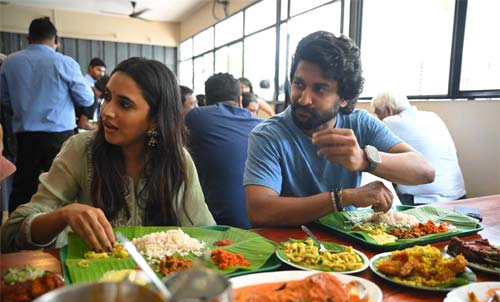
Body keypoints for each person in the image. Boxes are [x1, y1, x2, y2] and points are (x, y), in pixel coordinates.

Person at [1, 57, 216, 253]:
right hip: (93, 286)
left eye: (124, 104)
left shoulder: (177, 160)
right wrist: (63, 215)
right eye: (107, 97)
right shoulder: (80, 150)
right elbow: (12, 232)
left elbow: (206, 235)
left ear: (155, 119)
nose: (106, 111)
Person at [243, 31, 435, 227]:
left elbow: (425, 171)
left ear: (344, 98)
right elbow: (260, 211)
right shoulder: (268, 135)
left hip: (351, 246)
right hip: (290, 247)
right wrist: (342, 198)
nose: (303, 98)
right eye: (299, 84)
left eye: (319, 89)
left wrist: (364, 160)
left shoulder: (360, 123)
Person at [0, 17, 94, 212]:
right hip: (60, 136)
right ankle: (63, 231)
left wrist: (24, 108)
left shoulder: (10, 62)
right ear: (55, 40)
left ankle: (16, 236)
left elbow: (4, 99)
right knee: (65, 188)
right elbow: (87, 99)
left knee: (23, 188)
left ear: (28, 39)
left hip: (26, 136)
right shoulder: (64, 62)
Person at [185, 73, 262, 229]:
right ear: (240, 101)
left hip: (218, 228)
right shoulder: (263, 126)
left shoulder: (196, 117)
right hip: (261, 225)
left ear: (205, 102)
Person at [371, 90, 466, 204]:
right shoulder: (433, 116)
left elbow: (369, 153)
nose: (378, 118)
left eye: (378, 114)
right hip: (459, 196)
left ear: (388, 110)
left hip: (421, 201)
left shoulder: (389, 122)